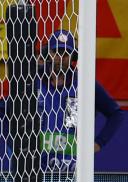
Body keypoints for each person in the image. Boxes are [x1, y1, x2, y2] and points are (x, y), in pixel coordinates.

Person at [38, 30, 124, 171]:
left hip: (72, 171)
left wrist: (98, 143)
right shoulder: (32, 81)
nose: (60, 57)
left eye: (66, 53)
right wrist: (16, 144)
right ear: (49, 54)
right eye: (56, 52)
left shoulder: (84, 83)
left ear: (73, 56)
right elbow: (2, 112)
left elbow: (116, 114)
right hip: (35, 171)